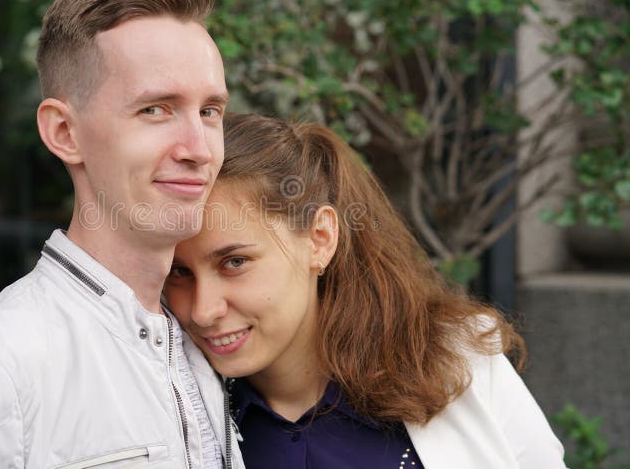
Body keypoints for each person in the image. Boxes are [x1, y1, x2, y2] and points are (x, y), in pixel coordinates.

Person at [0, 0, 244, 469]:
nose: (199, 150)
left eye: (210, 111)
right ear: (64, 132)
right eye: (156, 110)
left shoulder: (208, 339)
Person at [164, 112, 566, 469]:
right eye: (178, 272)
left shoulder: (458, 363)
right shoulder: (163, 406)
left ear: (319, 238)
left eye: (234, 263)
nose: (203, 310)